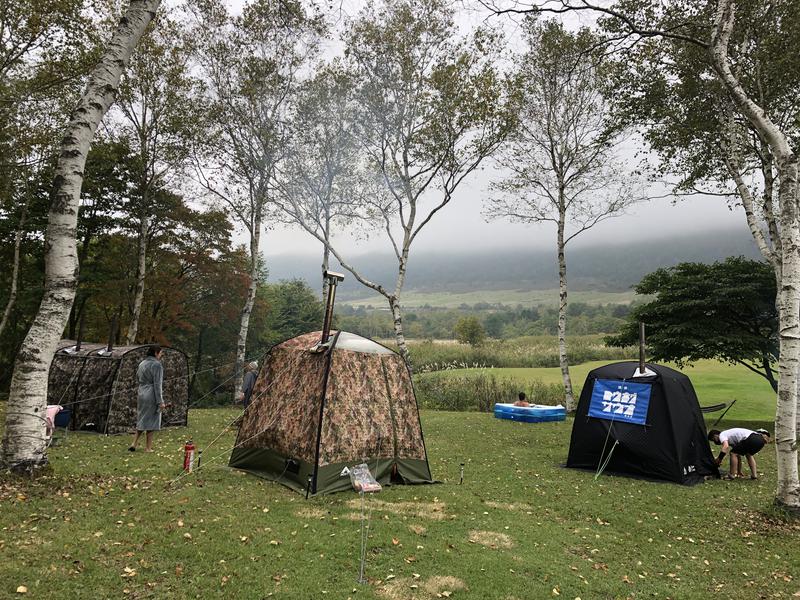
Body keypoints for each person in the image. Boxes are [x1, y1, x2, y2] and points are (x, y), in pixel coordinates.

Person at [129, 345, 165, 453]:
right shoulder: (157, 365)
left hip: (141, 392)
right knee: (152, 420)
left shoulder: (142, 363)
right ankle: (148, 448)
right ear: (155, 353)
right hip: (151, 394)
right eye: (160, 353)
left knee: (142, 418)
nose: (161, 355)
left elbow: (137, 377)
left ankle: (134, 443)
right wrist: (160, 401)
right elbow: (157, 385)